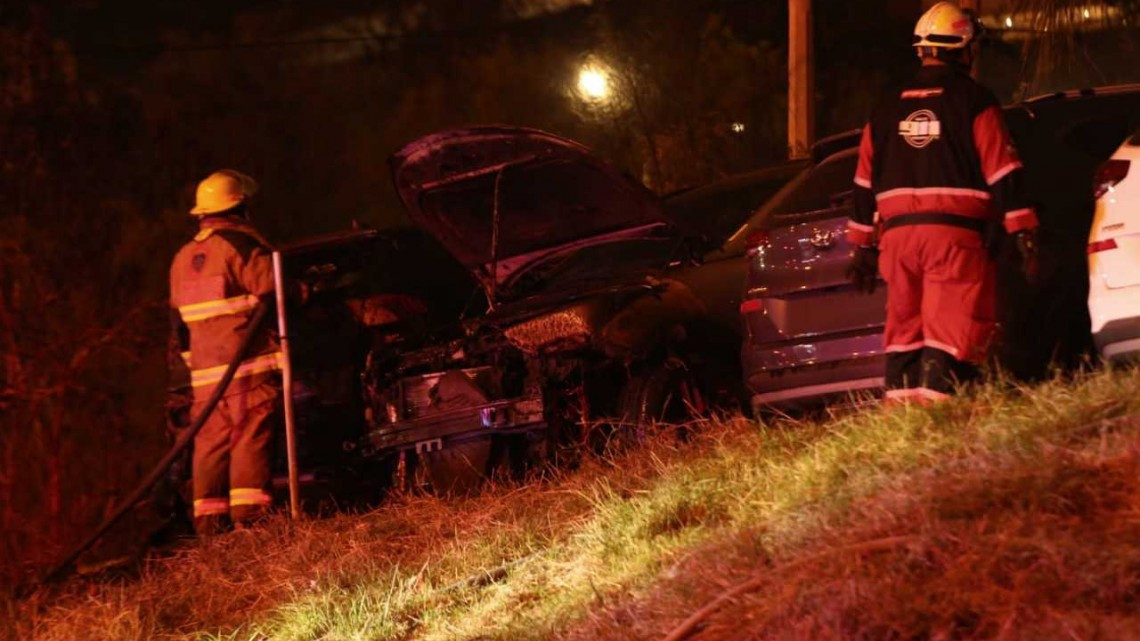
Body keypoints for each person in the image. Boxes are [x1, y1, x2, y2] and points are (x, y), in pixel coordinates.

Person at [846, 2, 1039, 403]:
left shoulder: (885, 106)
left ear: (923, 50)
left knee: (904, 335)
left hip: (897, 244)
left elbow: (863, 180)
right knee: (952, 332)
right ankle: (938, 419)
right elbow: (1002, 169)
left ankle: (903, 427)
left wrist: (862, 246)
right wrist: (1022, 232)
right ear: (964, 49)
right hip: (954, 241)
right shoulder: (974, 100)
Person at [169, 169, 281, 534]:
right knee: (250, 435)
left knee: (210, 444)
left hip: (204, 376)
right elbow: (273, 289)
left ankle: (209, 525)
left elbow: (178, 325)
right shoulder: (242, 246)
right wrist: (305, 291)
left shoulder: (183, 257)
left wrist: (194, 367)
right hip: (249, 367)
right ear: (240, 208)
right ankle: (250, 523)